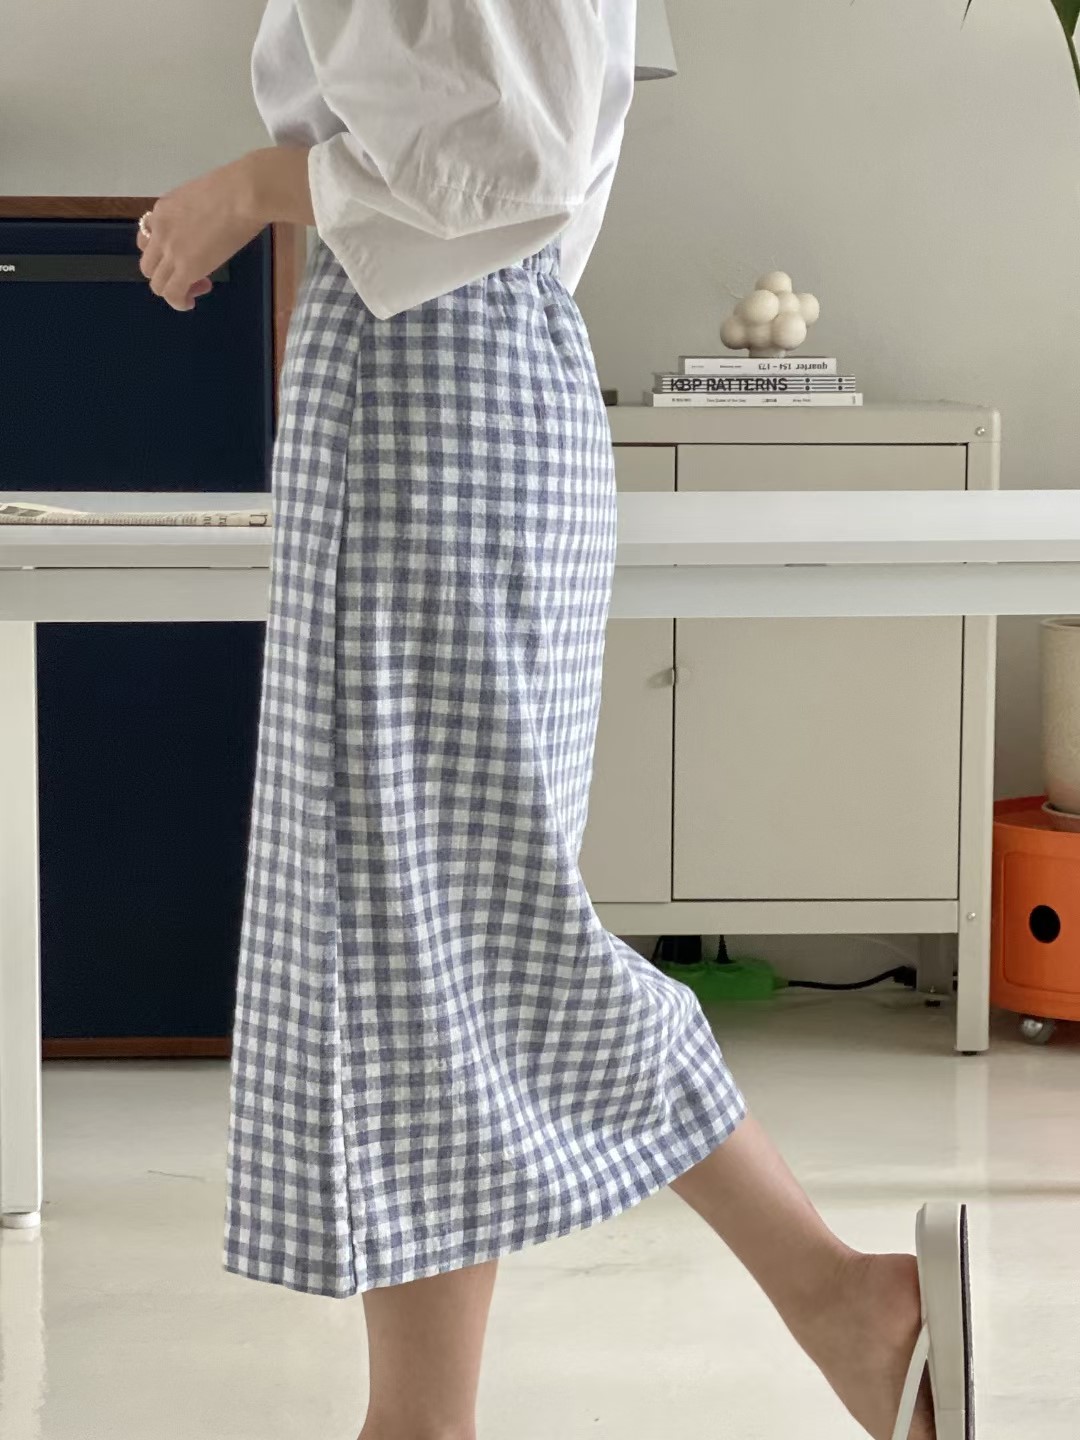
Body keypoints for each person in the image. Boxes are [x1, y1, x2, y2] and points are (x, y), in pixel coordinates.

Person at [135, 5, 962, 1438]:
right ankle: (437, 1412)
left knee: (448, 932)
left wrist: (253, 187)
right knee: (438, 939)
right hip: (461, 361)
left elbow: (504, 147)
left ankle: (831, 1298)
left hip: (430, 371)